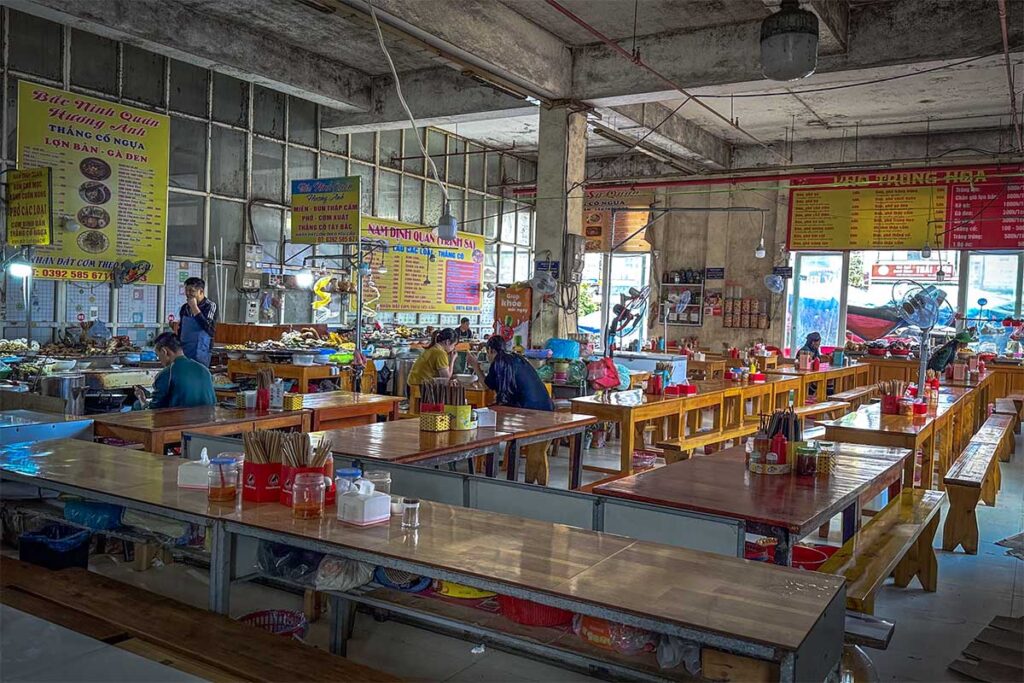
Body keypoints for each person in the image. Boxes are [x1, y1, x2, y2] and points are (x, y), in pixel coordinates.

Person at [468, 335, 553, 484]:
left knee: (485, 423)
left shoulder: (499, 361)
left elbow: (487, 385)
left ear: (490, 350)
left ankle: (488, 467)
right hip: (547, 408)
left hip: (528, 413)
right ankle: (533, 482)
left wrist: (475, 365)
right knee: (538, 451)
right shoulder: (518, 358)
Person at [134, 333, 217, 410]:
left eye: (158, 355)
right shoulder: (204, 369)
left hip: (182, 424)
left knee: (137, 405)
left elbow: (153, 410)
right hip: (209, 422)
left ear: (164, 351)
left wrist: (142, 399)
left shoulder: (167, 373)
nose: (158, 359)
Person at [175, 277, 217, 367]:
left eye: (191, 291)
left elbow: (209, 329)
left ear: (201, 292)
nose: (188, 294)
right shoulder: (185, 308)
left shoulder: (210, 306)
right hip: (185, 351)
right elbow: (181, 329)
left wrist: (195, 308)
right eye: (186, 290)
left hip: (202, 351)